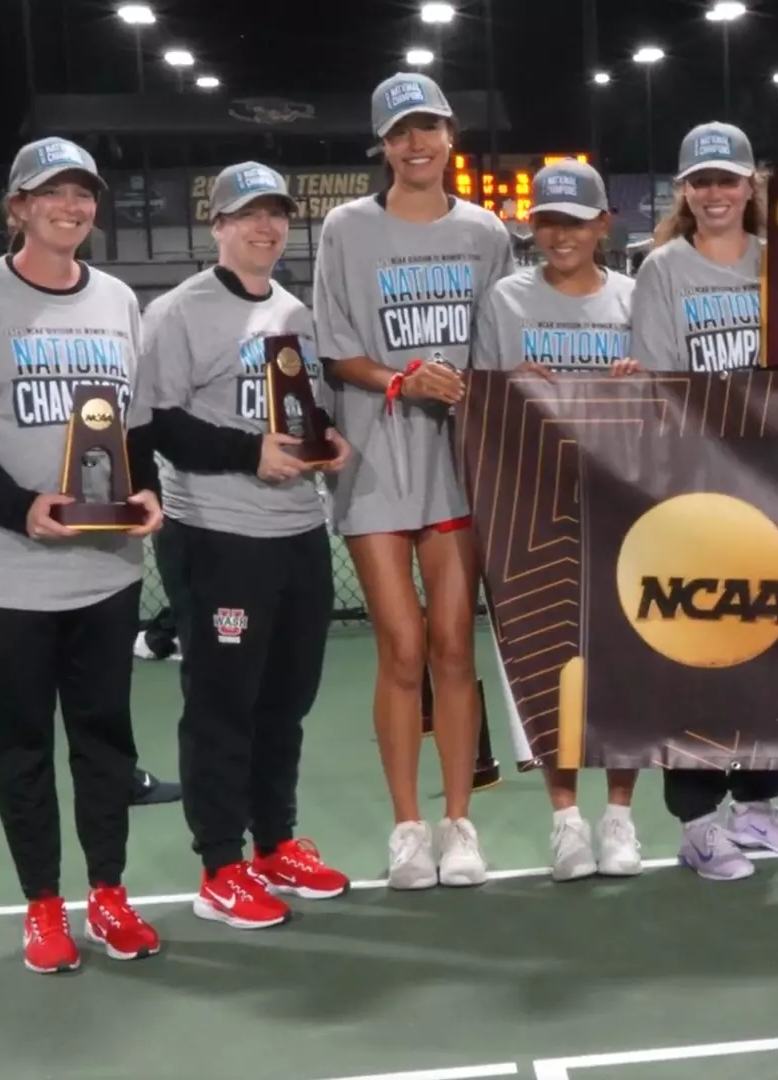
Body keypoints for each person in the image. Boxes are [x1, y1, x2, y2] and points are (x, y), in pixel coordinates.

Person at [0, 137, 166, 972]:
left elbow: (130, 427)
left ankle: (107, 894)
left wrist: (144, 493)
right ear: (18, 207)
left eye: (84, 194)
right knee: (22, 744)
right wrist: (18, 509)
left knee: (105, 739)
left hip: (104, 569)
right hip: (8, 572)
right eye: (52, 193)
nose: (72, 207)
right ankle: (42, 906)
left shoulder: (118, 301)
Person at [313, 73, 513, 890]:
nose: (415, 144)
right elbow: (333, 351)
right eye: (400, 133)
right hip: (375, 463)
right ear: (384, 147)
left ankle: (460, 824)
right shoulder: (346, 229)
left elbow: (501, 347)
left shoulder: (488, 231)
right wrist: (403, 378)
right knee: (401, 647)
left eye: (427, 128)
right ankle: (407, 828)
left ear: (450, 135)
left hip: (460, 466)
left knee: (452, 646)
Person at [142, 162, 355, 929]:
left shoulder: (297, 313)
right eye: (247, 216)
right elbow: (155, 422)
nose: (264, 228)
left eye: (274, 215)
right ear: (218, 227)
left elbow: (310, 416)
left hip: (298, 531)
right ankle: (220, 866)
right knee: (223, 703)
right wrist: (244, 454)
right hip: (217, 534)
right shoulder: (178, 312)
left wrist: (326, 444)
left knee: (286, 700)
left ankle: (276, 843)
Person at [631, 121, 778, 881]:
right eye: (701, 181)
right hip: (699, 490)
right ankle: (699, 822)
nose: (715, 193)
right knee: (701, 660)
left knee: (776, 656)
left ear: (752, 187)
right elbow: (659, 385)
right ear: (685, 191)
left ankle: (758, 805)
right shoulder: (662, 270)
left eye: (728, 179)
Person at [472, 159, 644, 881]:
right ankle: (566, 820)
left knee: (626, 662)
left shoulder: (636, 299)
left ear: (603, 224)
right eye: (547, 221)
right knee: (546, 664)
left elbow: (666, 410)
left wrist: (632, 389)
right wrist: (513, 388)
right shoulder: (505, 301)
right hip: (534, 503)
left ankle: (621, 818)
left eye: (575, 221)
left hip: (621, 504)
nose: (560, 235)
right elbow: (481, 404)